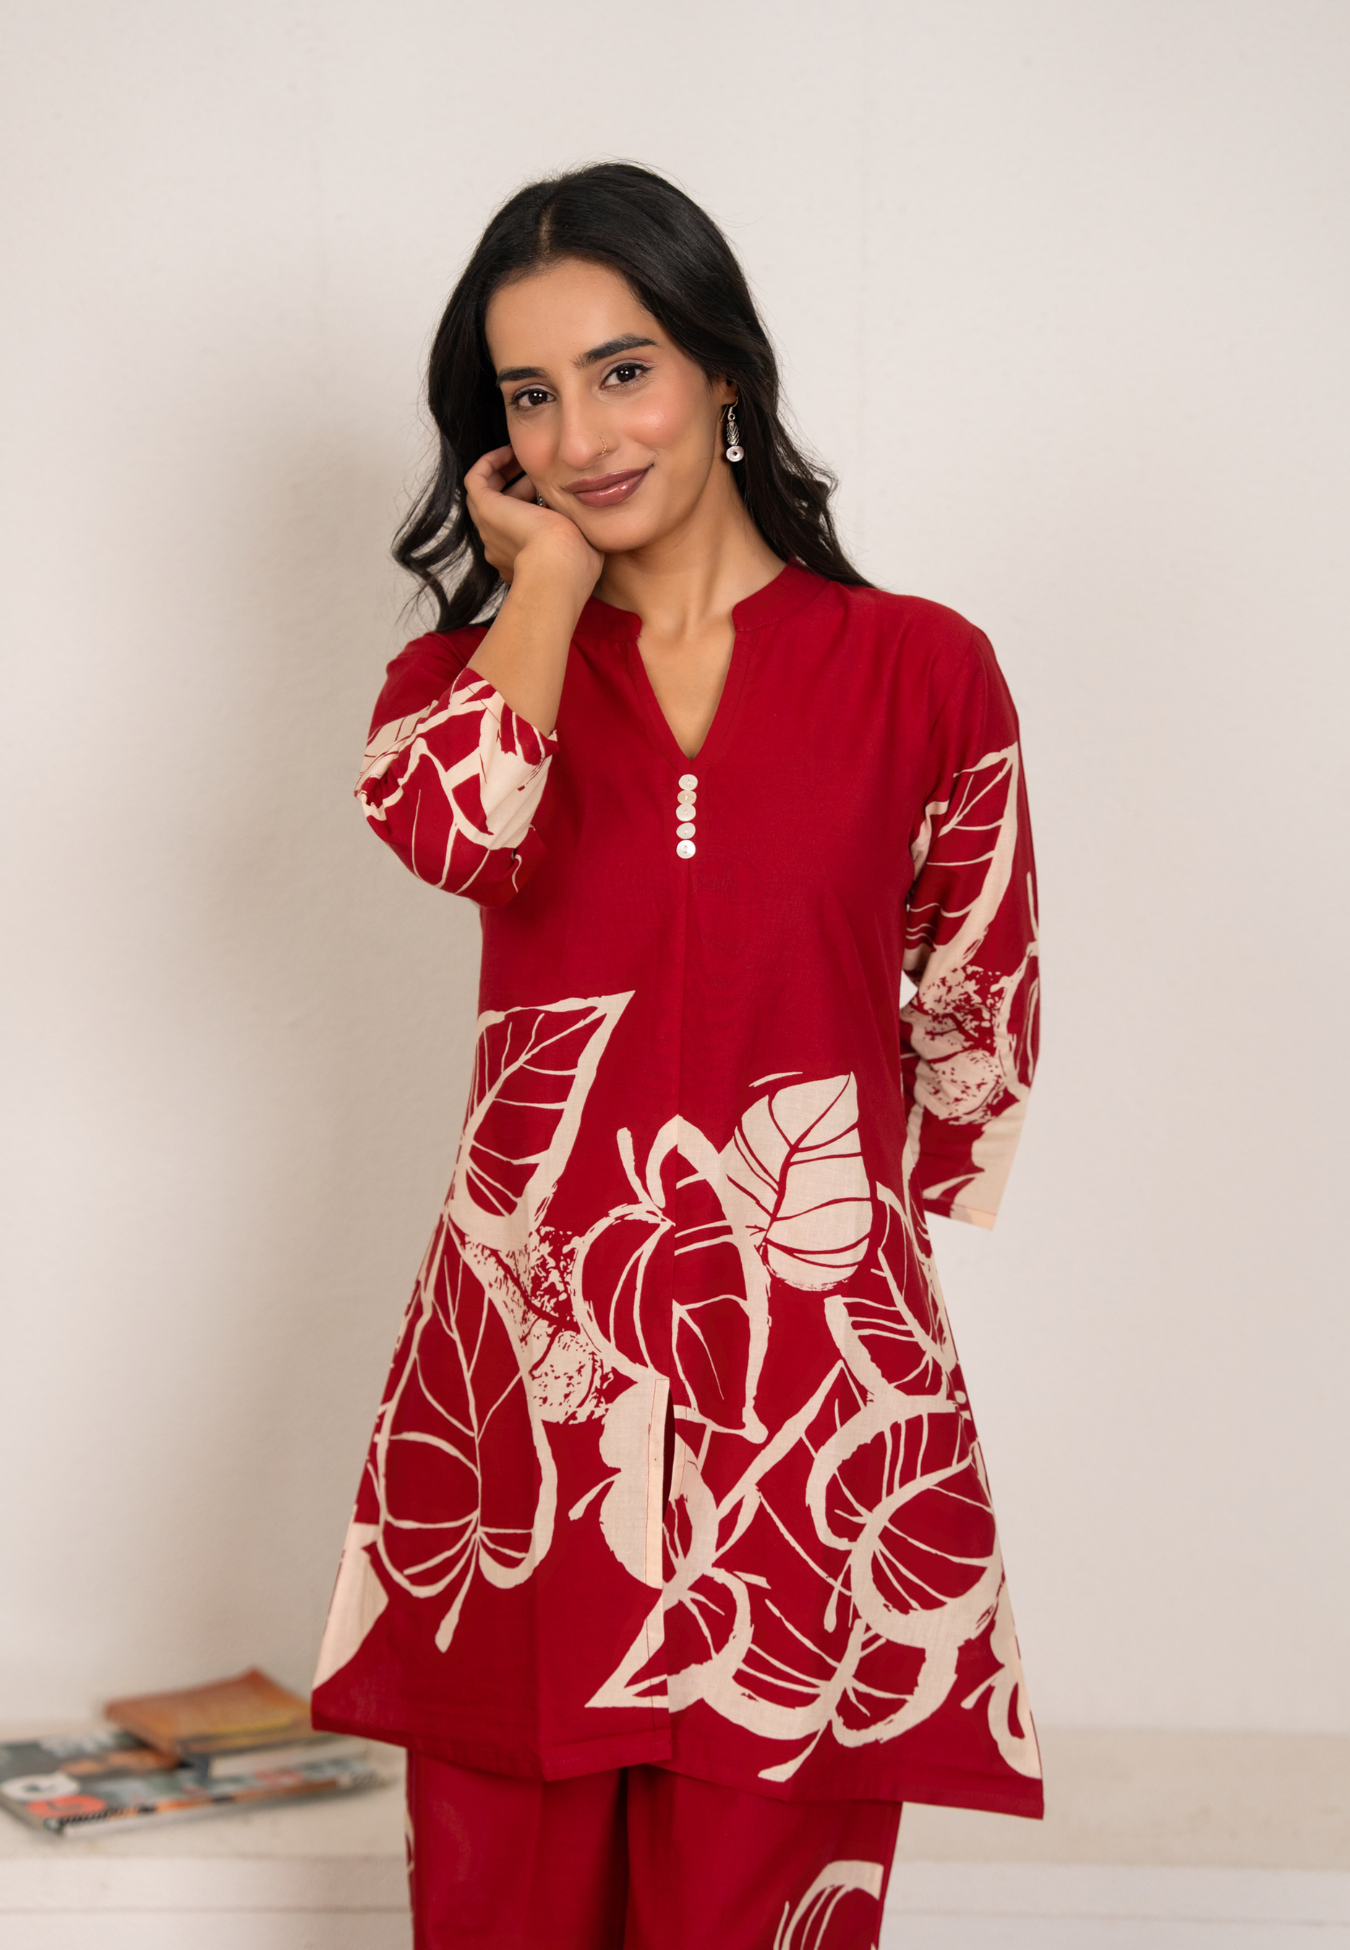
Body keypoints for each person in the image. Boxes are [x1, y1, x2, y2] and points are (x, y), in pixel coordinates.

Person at [312, 162, 1042, 1950]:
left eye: (621, 370)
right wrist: (546, 590)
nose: (578, 436)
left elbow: (975, 1018)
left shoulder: (923, 671)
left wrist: (851, 1254)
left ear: (723, 366)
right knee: (504, 1903)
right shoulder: (462, 687)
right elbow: (460, 833)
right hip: (526, 1399)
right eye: (528, 395)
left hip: (808, 1411)